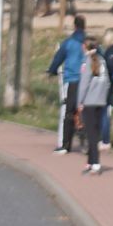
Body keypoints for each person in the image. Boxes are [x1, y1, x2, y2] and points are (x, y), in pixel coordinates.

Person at [47, 15, 87, 155]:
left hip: (72, 80)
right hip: (87, 81)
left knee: (69, 112)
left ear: (75, 26)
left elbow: (59, 57)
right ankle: (88, 141)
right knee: (85, 111)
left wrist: (52, 70)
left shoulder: (69, 42)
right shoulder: (89, 42)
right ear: (84, 27)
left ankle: (65, 145)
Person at [76, 39, 110, 175]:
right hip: (100, 101)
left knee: (91, 134)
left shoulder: (87, 61)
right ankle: (90, 161)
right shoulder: (102, 60)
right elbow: (107, 82)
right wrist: (103, 96)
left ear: (85, 47)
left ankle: (95, 163)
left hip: (89, 102)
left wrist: (79, 102)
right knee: (95, 131)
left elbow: (84, 84)